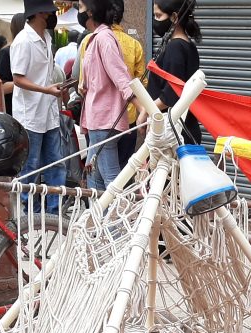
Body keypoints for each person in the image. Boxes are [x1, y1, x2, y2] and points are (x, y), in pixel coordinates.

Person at [10, 0, 67, 213]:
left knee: (56, 162)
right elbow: (18, 78)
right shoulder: (23, 41)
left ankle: (55, 209)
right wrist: (46, 90)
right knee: (31, 165)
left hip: (49, 111)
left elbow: (46, 74)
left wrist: (56, 89)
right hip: (31, 114)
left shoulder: (47, 38)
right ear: (41, 13)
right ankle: (30, 210)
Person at [78, 0, 132, 191]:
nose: (79, 11)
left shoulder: (104, 38)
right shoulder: (97, 38)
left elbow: (121, 77)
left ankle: (115, 220)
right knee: (95, 178)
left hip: (105, 120)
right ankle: (100, 219)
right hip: (98, 120)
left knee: (110, 177)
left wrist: (142, 108)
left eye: (80, 6)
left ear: (91, 12)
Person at [139, 0, 201, 145]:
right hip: (183, 127)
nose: (155, 21)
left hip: (172, 133)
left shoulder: (175, 47)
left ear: (174, 17)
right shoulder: (189, 46)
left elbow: (172, 94)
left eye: (158, 16)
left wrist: (145, 112)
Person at [108, 0, 143, 168]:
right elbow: (142, 82)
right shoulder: (134, 44)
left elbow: (83, 82)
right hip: (128, 116)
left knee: (103, 169)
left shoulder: (89, 41)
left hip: (102, 118)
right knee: (125, 167)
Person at [0, 14, 24, 115]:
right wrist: (28, 83)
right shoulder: (6, 53)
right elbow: (1, 87)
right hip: (13, 111)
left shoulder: (29, 51)